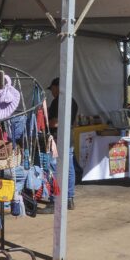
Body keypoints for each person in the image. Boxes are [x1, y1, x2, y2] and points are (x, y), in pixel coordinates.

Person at [47, 77, 79, 210]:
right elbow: (74, 122)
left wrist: (44, 123)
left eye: (52, 89)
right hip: (69, 137)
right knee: (69, 168)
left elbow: (55, 122)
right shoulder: (73, 101)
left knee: (53, 169)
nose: (51, 92)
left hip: (58, 138)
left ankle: (54, 200)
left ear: (57, 87)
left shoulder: (57, 102)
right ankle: (69, 198)